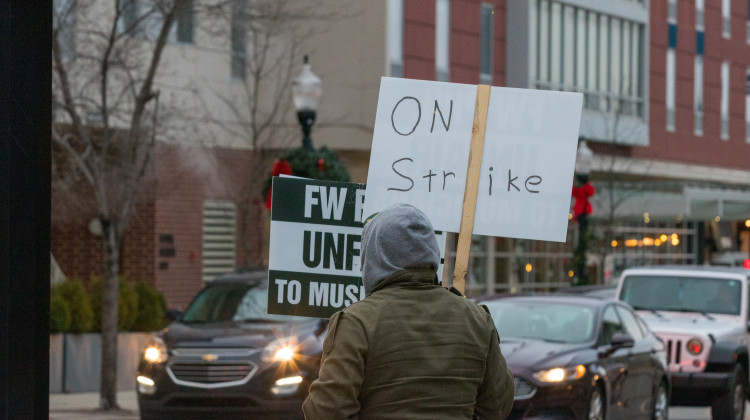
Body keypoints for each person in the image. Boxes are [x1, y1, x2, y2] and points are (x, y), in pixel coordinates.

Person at [302, 203, 514, 420]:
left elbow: (327, 411)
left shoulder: (356, 322)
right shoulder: (477, 319)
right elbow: (498, 406)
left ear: (374, 257)